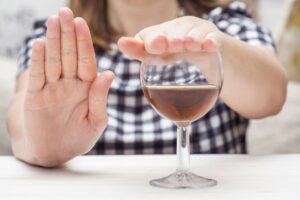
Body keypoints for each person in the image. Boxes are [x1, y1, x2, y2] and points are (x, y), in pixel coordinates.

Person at [7, 0, 287, 167]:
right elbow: (22, 126)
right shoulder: (60, 40)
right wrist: (42, 146)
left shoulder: (226, 24)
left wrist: (211, 44)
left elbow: (271, 95)